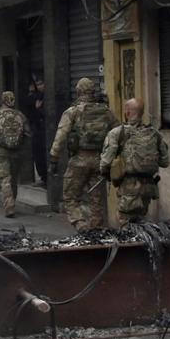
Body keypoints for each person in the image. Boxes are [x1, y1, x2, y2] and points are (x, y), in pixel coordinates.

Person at [49, 77, 118, 231]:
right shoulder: (106, 111)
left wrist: (54, 159)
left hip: (79, 160)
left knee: (70, 196)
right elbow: (118, 132)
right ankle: (97, 229)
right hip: (99, 160)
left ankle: (80, 224)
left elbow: (60, 136)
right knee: (96, 198)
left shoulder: (72, 112)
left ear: (78, 91)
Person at [100, 98, 169, 226]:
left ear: (127, 113)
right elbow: (165, 162)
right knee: (140, 222)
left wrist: (109, 175)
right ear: (142, 113)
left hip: (129, 186)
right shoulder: (155, 134)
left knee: (124, 221)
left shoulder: (117, 133)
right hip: (148, 187)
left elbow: (105, 163)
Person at [0, 91, 31, 217]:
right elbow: (28, 133)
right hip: (17, 151)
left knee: (5, 179)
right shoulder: (20, 115)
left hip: (1, 151)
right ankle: (12, 202)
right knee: (14, 179)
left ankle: (9, 207)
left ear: (2, 100)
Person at [25, 78, 47, 186]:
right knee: (38, 154)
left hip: (45, 129)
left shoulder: (45, 96)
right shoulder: (36, 96)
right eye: (37, 84)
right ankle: (43, 177)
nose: (40, 86)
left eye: (41, 83)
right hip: (37, 129)